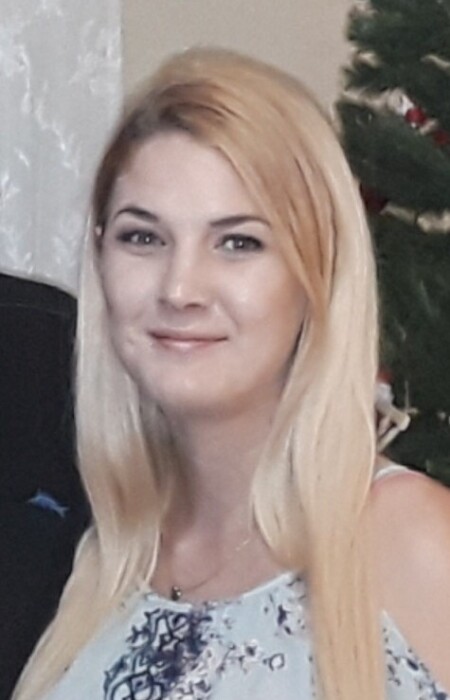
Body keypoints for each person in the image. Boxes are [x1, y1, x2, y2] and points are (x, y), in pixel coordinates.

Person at [12, 47, 450, 700]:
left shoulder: (410, 542)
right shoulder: (100, 562)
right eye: (143, 237)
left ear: (318, 271)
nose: (180, 288)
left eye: (239, 242)